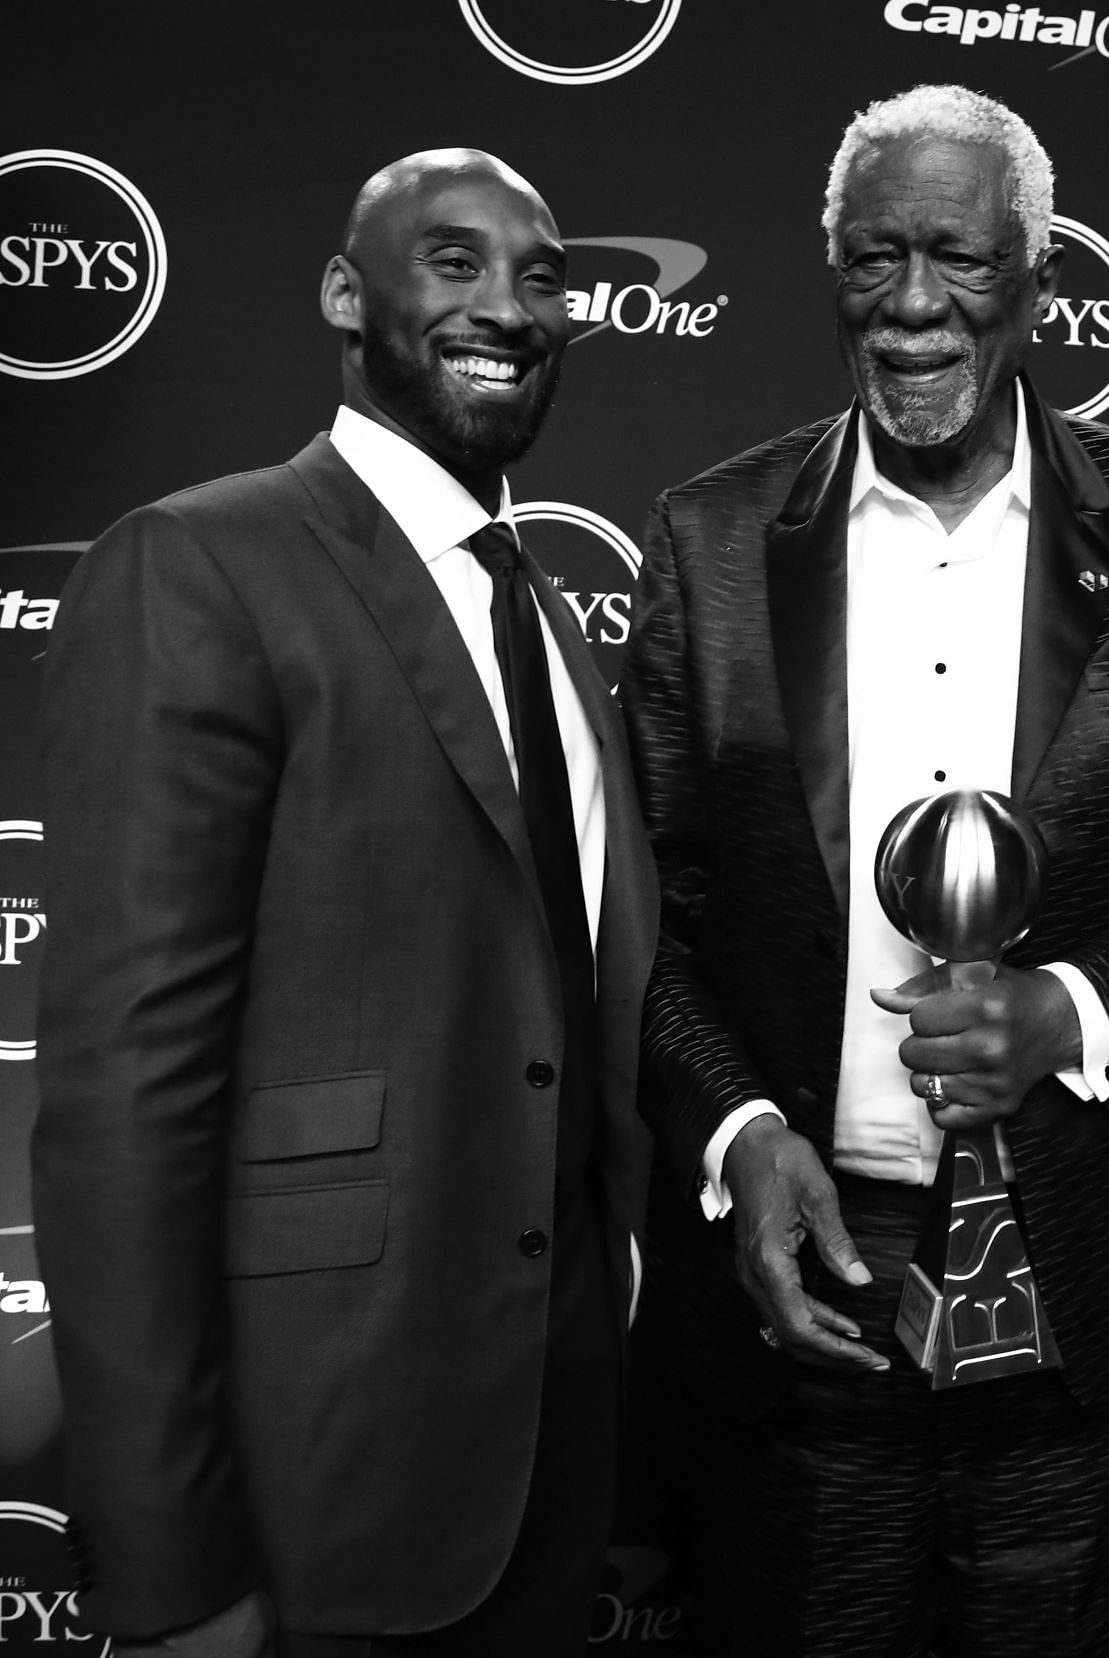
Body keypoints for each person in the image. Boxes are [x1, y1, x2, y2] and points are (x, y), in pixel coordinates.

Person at [621, 85, 1109, 1656]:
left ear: (1038, 274)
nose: (914, 304)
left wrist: (1067, 1013)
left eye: (960, 260)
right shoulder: (713, 538)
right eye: (874, 260)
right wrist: (738, 1129)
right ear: (831, 270)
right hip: (808, 1292)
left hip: (1080, 1294)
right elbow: (644, 918)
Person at [30, 149, 658, 1658]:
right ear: (344, 293)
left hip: (546, 1469)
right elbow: (125, 1097)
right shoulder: (200, 563)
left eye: (543, 273)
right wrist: (172, 1567)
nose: (507, 304)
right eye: (453, 262)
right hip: (321, 1484)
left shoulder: (551, 616)